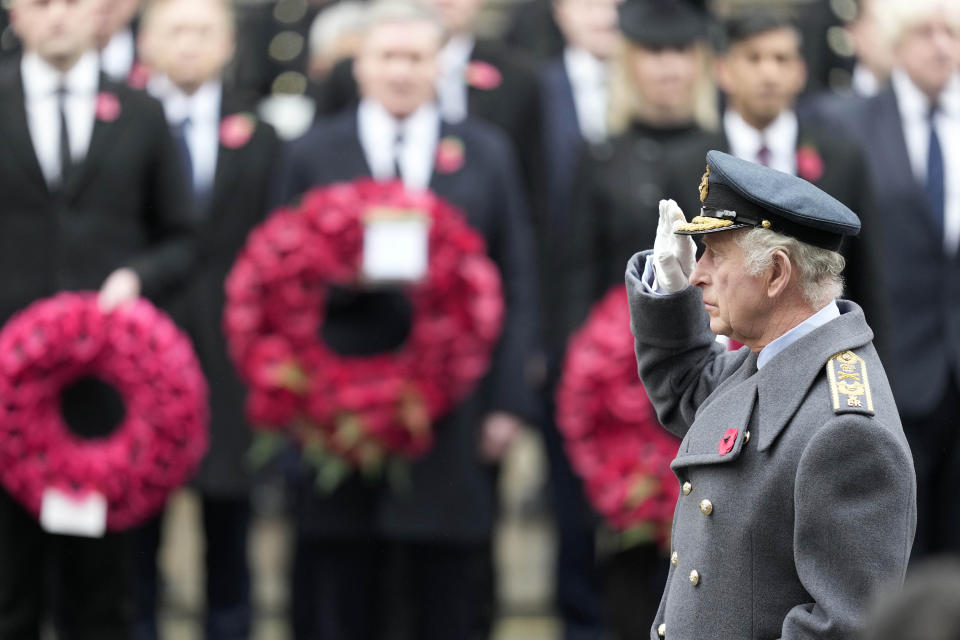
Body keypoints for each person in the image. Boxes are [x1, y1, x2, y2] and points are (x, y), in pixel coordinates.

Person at [272, 1, 539, 637]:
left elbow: (517, 277)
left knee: (445, 593)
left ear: (440, 65)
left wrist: (506, 403)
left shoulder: (484, 153)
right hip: (340, 414)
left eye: (415, 58)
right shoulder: (313, 153)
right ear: (359, 65)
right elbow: (277, 281)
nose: (400, 71)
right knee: (344, 588)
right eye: (386, 57)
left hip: (451, 414)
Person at [625, 150, 916, 639]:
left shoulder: (846, 432)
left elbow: (841, 627)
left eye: (715, 254)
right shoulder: (776, 357)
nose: (698, 273)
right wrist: (669, 294)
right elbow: (690, 391)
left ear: (777, 274)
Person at [0, 0, 194, 636]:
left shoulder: (141, 113)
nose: (57, 16)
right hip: (4, 393)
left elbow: (182, 238)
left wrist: (136, 280)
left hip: (103, 400)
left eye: (74, 2)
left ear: (102, 14)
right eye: (40, 2)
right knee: (9, 586)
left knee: (101, 591)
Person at [130, 0, 281, 638]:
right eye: (175, 30)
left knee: (229, 526)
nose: (189, 44)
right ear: (147, 42)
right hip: (138, 351)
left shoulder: (260, 130)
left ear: (228, 45)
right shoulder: (124, 121)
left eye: (203, 31)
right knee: (135, 526)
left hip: (232, 358)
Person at [668, 8, 884, 352]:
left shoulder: (842, 158)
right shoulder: (683, 162)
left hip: (820, 360)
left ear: (800, 71)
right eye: (753, 58)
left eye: (781, 59)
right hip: (710, 362)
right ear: (723, 70)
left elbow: (868, 277)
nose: (768, 73)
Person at [841, 0, 960, 560]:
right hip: (892, 369)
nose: (941, 46)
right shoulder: (852, 124)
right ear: (894, 41)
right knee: (896, 552)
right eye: (926, 32)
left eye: (953, 33)